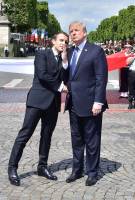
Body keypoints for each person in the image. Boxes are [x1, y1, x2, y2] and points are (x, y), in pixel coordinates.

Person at [8, 32, 69, 186]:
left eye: (66, 41)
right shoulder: (42, 54)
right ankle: (12, 168)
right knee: (25, 134)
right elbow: (42, 75)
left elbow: (66, 77)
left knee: (47, 136)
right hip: (37, 101)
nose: (63, 43)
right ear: (53, 41)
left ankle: (42, 166)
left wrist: (65, 62)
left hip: (52, 104)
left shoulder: (63, 58)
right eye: (61, 40)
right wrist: (60, 86)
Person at [64, 21, 108, 186]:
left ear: (84, 33)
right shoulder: (69, 52)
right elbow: (67, 75)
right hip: (73, 103)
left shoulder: (96, 51)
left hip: (91, 104)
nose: (73, 33)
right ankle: (77, 170)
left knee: (92, 139)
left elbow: (101, 78)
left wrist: (98, 101)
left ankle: (92, 172)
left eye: (76, 30)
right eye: (71, 31)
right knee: (76, 139)